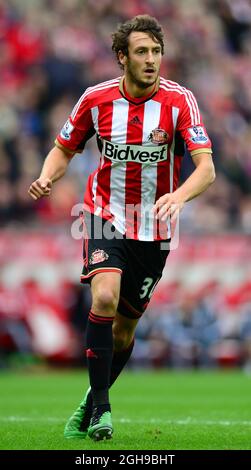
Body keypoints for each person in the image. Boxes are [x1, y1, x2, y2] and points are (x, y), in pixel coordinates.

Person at [28, 15, 215, 441]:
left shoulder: (180, 101)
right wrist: (48, 176)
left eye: (156, 51)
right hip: (104, 212)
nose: (151, 60)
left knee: (125, 329)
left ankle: (89, 403)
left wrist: (179, 196)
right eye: (142, 52)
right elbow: (64, 147)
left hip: (155, 227)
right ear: (122, 57)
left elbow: (207, 169)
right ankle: (103, 412)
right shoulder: (95, 99)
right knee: (106, 295)